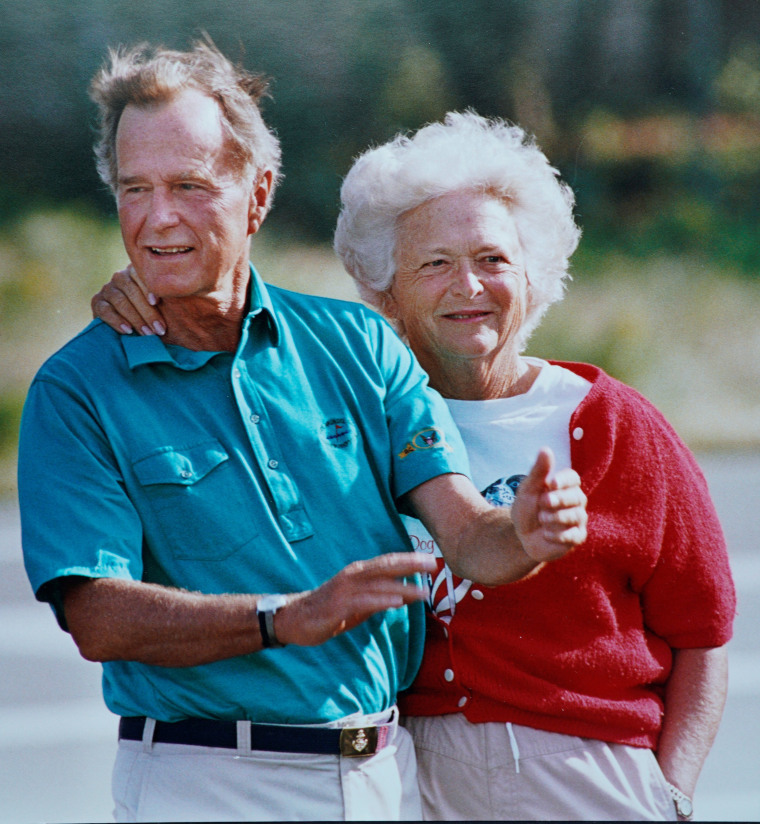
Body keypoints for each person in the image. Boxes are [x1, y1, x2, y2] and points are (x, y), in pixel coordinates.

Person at [94, 110, 737, 820]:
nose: (468, 286)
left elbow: (702, 636)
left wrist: (672, 795)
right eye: (435, 263)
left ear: (535, 273)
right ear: (385, 290)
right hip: (399, 775)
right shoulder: (343, 414)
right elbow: (229, 324)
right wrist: (149, 290)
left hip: (585, 776)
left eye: (492, 258)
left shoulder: (618, 427)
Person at [18, 44, 589, 824]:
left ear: (257, 195)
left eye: (190, 186)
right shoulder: (75, 388)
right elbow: (97, 616)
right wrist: (285, 617)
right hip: (202, 781)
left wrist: (524, 535)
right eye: (135, 190)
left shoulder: (360, 343)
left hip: (380, 777)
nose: (158, 218)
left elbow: (470, 540)